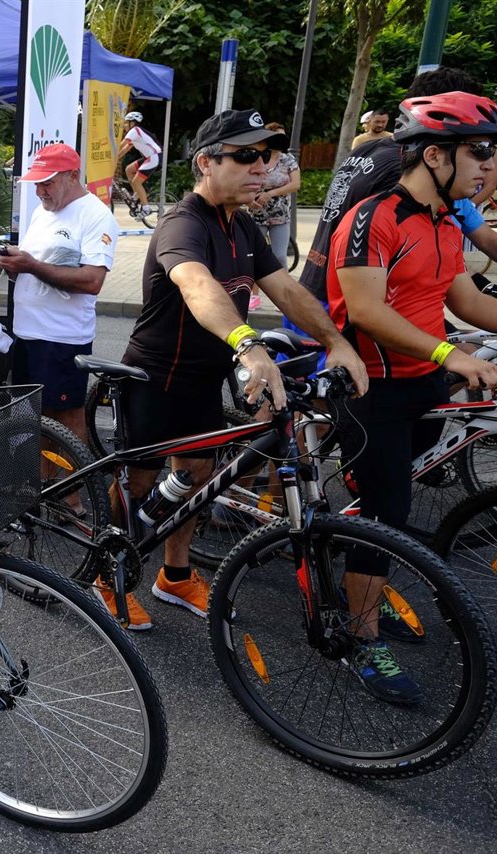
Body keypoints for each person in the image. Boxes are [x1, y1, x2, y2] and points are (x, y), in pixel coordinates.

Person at [114, 108, 368, 631]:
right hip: (156, 377)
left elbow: (289, 292)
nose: (263, 167)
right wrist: (248, 346)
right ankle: (110, 574)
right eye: (248, 155)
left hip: (204, 377)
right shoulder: (182, 223)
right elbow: (197, 286)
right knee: (138, 485)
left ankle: (176, 576)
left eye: (268, 156)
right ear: (206, 162)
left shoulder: (244, 224)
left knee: (197, 477)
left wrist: (335, 342)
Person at [328, 92, 497, 704]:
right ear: (434, 154)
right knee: (384, 516)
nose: (488, 166)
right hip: (375, 390)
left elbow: (466, 303)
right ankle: (360, 636)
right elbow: (367, 311)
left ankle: (353, 578)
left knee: (387, 495)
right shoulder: (374, 218)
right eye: (479, 152)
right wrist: (452, 355)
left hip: (422, 384)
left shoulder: (443, 220)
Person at [299, 68, 497, 306]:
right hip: (338, 313)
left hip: (312, 296)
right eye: (477, 143)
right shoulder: (410, 173)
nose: (487, 161)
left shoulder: (376, 151)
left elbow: (482, 239)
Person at [0, 143, 118, 442]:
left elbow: (92, 281)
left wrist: (31, 266)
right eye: (37, 183)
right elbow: (37, 263)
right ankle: (45, 486)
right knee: (36, 419)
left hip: (61, 338)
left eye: (47, 182)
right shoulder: (42, 211)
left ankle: (72, 488)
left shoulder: (95, 216)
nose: (40, 191)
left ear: (72, 176)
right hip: (27, 334)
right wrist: (15, 266)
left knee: (65, 418)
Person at [247, 122, 301, 309]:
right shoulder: (257, 157)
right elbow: (244, 180)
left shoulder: (288, 159)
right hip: (256, 213)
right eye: (277, 135)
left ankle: (283, 296)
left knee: (279, 256)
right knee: (253, 255)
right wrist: (248, 199)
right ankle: (253, 296)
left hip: (280, 215)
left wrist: (270, 193)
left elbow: (295, 185)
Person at [116, 111, 162, 214]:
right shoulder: (136, 134)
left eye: (126, 123)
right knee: (129, 169)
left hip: (154, 157)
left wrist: (110, 151)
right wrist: (115, 158)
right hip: (149, 157)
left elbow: (121, 145)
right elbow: (125, 149)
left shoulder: (135, 130)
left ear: (132, 123)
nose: (124, 125)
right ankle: (136, 195)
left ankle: (146, 208)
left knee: (136, 181)